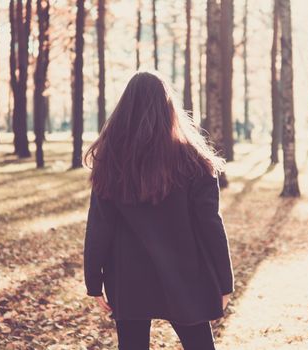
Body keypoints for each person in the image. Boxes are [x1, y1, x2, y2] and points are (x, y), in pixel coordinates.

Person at [83, 71, 235, 350]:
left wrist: (94, 280)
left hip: (129, 276)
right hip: (184, 273)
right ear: (169, 108)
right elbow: (210, 224)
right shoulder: (193, 161)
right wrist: (225, 282)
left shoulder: (112, 162)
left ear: (125, 110)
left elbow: (99, 227)